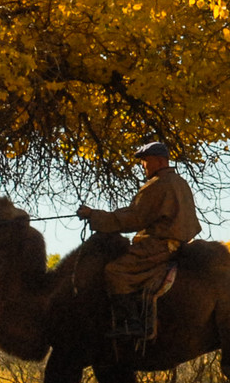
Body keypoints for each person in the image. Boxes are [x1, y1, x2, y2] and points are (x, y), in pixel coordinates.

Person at [77, 142, 200, 342]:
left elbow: (133, 218)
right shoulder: (180, 183)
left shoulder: (158, 185)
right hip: (179, 244)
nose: (143, 166)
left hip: (157, 246)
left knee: (115, 271)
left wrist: (94, 215)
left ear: (160, 161)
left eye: (146, 161)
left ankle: (133, 323)